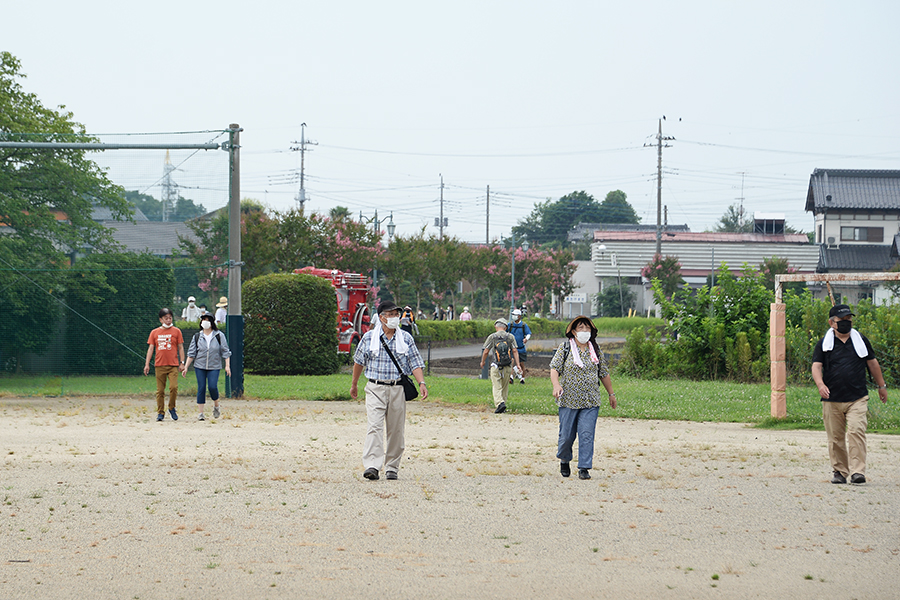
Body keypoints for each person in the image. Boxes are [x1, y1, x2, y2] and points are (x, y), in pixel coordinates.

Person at [811, 304, 888, 485]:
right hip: (832, 399)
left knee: (856, 431)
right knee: (836, 438)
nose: (846, 323)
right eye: (841, 320)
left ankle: (857, 472)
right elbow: (816, 366)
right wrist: (820, 384)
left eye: (848, 320)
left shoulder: (861, 340)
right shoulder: (824, 343)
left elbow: (873, 363)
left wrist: (881, 386)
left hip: (857, 397)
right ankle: (839, 472)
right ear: (832, 323)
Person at [351, 301, 428, 481]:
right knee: (374, 426)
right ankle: (372, 465)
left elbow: (415, 362)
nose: (394, 317)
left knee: (396, 430)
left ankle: (392, 466)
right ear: (381, 317)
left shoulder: (405, 338)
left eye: (396, 314)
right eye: (390, 314)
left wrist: (421, 382)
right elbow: (359, 362)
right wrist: (354, 384)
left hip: (397, 389)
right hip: (375, 387)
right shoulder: (370, 337)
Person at [550, 316, 617, 480]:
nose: (584, 331)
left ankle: (584, 468)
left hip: (590, 401)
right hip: (568, 400)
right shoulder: (565, 347)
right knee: (566, 436)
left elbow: (603, 372)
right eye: (581, 328)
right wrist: (556, 385)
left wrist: (611, 393)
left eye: (587, 328)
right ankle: (564, 460)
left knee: (587, 435)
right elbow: (554, 368)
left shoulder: (595, 349)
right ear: (573, 331)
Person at [183, 313, 232, 421]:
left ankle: (216, 405)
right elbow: (191, 353)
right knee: (201, 387)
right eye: (203, 319)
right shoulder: (197, 336)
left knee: (212, 387)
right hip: (199, 365)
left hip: (214, 366)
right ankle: (201, 413)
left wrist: (227, 365)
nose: (205, 322)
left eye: (207, 320)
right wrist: (186, 367)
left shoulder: (219, 335)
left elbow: (225, 351)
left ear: (212, 322)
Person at [143, 308, 185, 422]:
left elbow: (180, 347)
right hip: (159, 365)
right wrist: (147, 364)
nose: (168, 320)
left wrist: (182, 362)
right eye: (166, 318)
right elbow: (151, 348)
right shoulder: (154, 332)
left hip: (173, 365)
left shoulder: (177, 331)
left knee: (173, 387)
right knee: (160, 391)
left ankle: (172, 407)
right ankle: (160, 412)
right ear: (161, 319)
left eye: (170, 318)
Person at [480, 318, 521, 414]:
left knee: (496, 385)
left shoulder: (492, 337)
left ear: (496, 327)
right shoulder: (510, 337)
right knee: (505, 386)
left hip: (496, 365)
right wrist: (518, 365)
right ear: (505, 327)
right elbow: (514, 351)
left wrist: (483, 362)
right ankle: (503, 405)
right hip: (507, 365)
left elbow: (486, 351)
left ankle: (500, 403)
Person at [508, 308, 532, 383]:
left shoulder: (524, 325)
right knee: (511, 361)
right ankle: (511, 376)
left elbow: (529, 333)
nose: (513, 316)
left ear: (519, 316)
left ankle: (522, 378)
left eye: (514, 315)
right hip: (512, 347)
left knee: (522, 364)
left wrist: (526, 339)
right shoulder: (510, 325)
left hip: (521, 348)